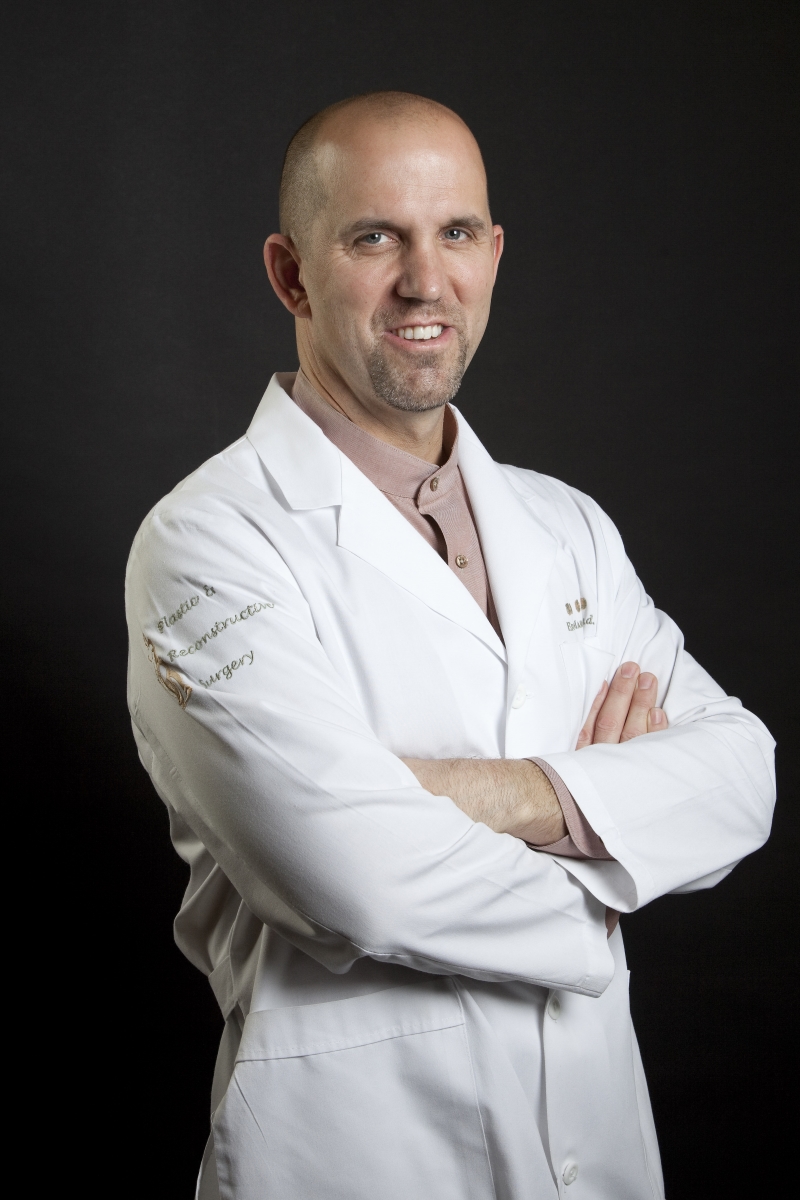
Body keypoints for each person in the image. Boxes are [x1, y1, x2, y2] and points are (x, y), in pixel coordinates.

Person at [126, 92, 775, 1200]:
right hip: (356, 1154)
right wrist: (614, 843)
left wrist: (466, 793)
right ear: (291, 275)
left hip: (598, 1143)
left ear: (494, 254)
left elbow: (742, 776)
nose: (426, 282)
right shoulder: (208, 542)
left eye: (457, 232)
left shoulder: (564, 525)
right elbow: (348, 878)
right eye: (375, 238)